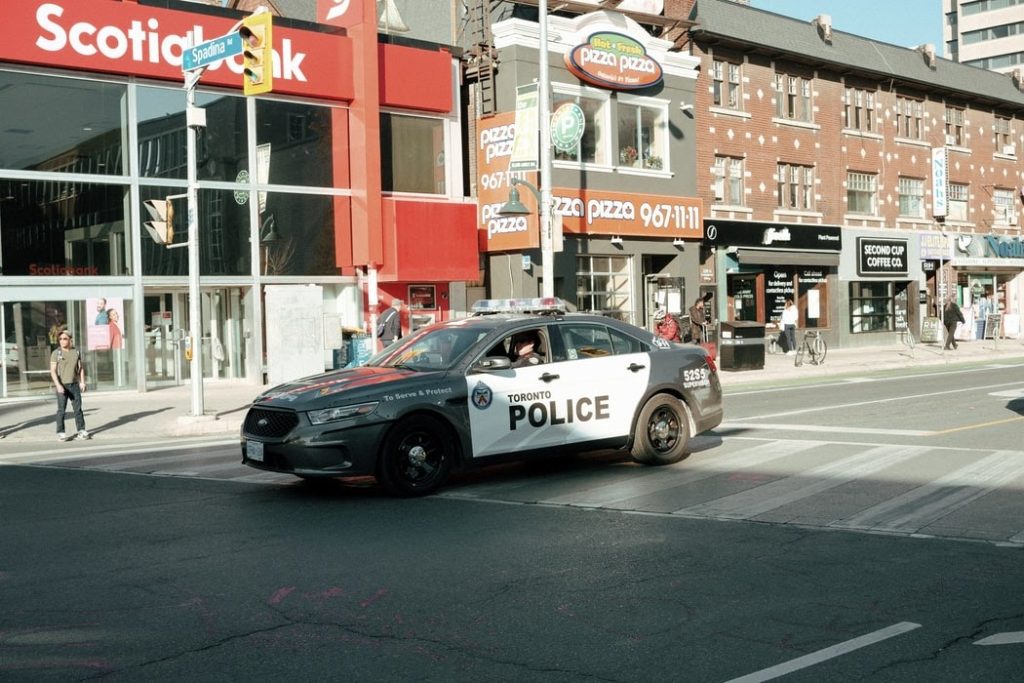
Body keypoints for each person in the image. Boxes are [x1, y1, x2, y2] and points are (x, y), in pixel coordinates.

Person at [49, 330, 90, 442]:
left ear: (70, 340)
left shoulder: (76, 352)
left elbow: (80, 368)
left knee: (78, 409)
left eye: (65, 339)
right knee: (61, 410)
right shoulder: (56, 353)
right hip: (62, 385)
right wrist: (58, 385)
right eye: (60, 339)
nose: (62, 341)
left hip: (74, 385)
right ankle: (61, 433)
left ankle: (81, 431)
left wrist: (82, 382)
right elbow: (52, 371)